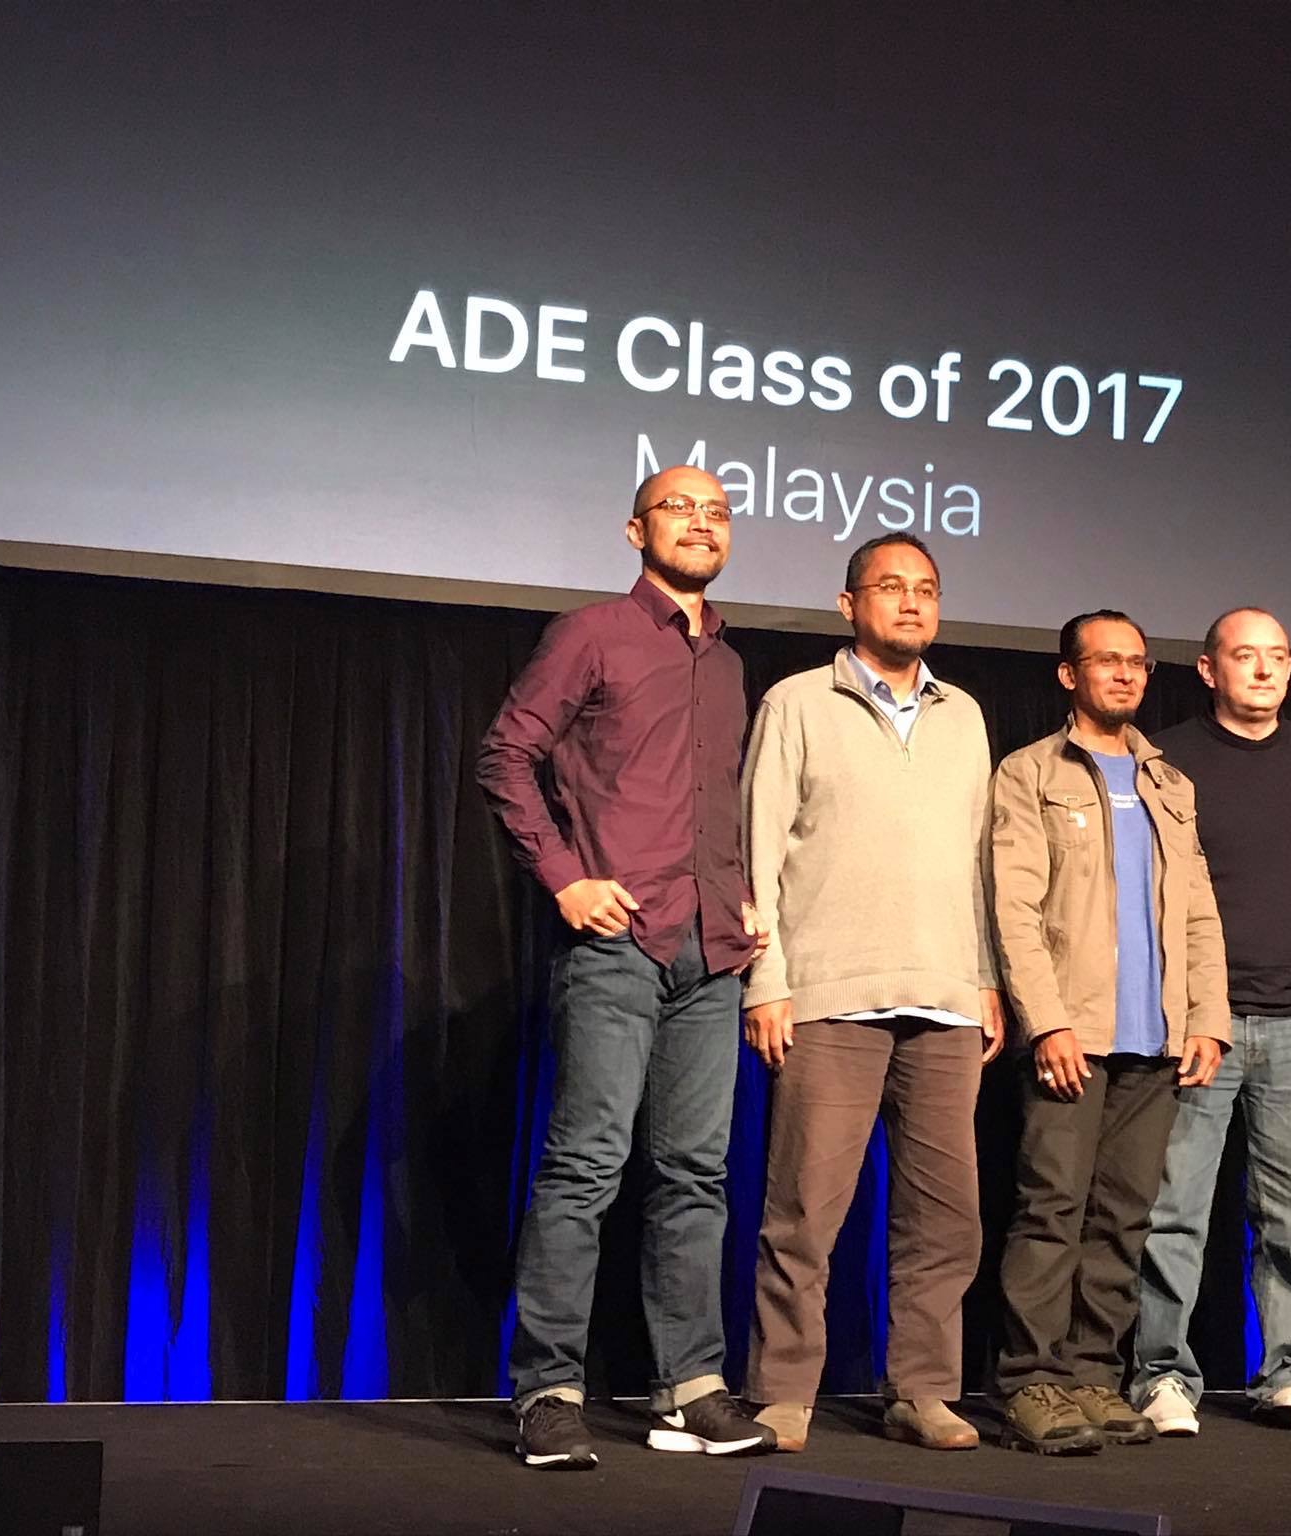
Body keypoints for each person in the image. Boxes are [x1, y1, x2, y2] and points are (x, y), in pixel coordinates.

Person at [476, 467, 775, 1468]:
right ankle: (547, 1390)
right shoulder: (592, 633)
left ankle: (691, 1386)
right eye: (680, 508)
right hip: (616, 943)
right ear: (635, 530)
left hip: (711, 950)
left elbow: (718, 802)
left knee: (695, 1176)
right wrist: (564, 878)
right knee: (586, 1166)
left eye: (718, 511)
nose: (702, 523)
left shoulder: (729, 663)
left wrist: (739, 898)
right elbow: (505, 755)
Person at [739, 533, 1004, 1454]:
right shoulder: (797, 702)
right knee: (805, 1213)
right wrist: (766, 980)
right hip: (827, 995)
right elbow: (758, 849)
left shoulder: (965, 715)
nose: (912, 601)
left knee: (946, 1218)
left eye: (926, 588)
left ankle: (922, 1391)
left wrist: (985, 979)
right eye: (891, 586)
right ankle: (783, 1393)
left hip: (945, 999)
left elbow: (978, 861)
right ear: (849, 604)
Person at [988, 610, 1231, 1454]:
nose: (1125, 675)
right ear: (1070, 674)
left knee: (1124, 1217)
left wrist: (1207, 1018)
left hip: (1155, 1040)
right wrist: (1046, 1021)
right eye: (1106, 661)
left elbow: (1198, 910)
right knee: (1051, 1209)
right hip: (1075, 1034)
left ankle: (1093, 1375)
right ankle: (1030, 1381)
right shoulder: (1030, 772)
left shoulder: (1170, 782)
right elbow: (1014, 908)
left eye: (1137, 663)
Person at [1131, 608, 1291, 1437]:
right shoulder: (1164, 758)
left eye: (1277, 656)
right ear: (1208, 669)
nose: (1263, 670)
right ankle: (1161, 1377)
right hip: (1199, 1021)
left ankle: (1287, 1375)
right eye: (1245, 656)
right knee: (1174, 1212)